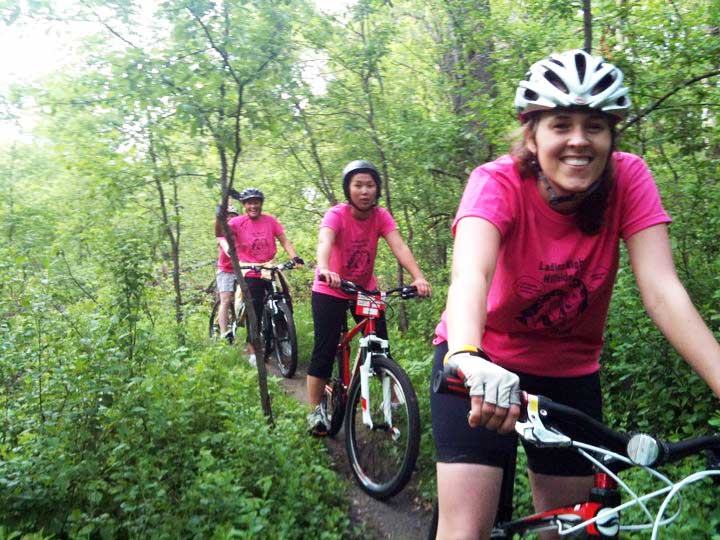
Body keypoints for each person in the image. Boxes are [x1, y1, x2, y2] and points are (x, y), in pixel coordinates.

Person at [430, 49, 720, 540]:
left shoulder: (629, 179)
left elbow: (663, 290)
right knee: (465, 530)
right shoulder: (497, 182)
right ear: (532, 134)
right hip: (481, 365)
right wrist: (466, 354)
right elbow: (470, 276)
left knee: (571, 532)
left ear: (612, 136)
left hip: (568, 376)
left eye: (596, 126)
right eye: (560, 124)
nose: (578, 141)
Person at [306, 160, 431, 435]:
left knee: (381, 345)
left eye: (370, 185)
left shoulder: (381, 216)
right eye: (358, 185)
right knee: (324, 349)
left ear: (377, 189)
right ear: (348, 189)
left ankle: (391, 395)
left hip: (364, 289)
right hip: (330, 287)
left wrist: (418, 277)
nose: (365, 191)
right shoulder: (336, 215)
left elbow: (399, 245)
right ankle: (316, 410)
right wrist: (325, 268)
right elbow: (324, 241)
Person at [216, 187, 303, 366]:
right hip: (250, 269)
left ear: (261, 204)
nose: (253, 206)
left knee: (284, 297)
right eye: (249, 203)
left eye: (256, 202)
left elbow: (284, 240)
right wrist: (218, 217)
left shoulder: (270, 221)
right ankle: (252, 348)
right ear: (244, 205)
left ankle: (284, 336)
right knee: (254, 306)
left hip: (269, 266)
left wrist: (294, 257)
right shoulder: (237, 222)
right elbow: (219, 233)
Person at [214, 203, 240, 343]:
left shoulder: (240, 232)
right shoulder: (222, 235)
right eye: (228, 217)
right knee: (226, 299)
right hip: (226, 270)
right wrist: (230, 251)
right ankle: (224, 333)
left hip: (242, 269)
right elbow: (225, 246)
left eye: (233, 217)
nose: (231, 220)